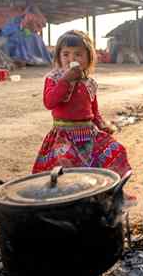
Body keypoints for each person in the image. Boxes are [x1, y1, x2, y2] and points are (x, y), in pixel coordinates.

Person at [32, 30, 131, 179]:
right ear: (59, 57)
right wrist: (65, 80)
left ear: (88, 58)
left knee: (117, 150)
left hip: (88, 133)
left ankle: (107, 193)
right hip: (63, 135)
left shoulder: (89, 83)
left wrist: (103, 126)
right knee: (66, 165)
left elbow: (94, 111)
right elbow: (49, 102)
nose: (71, 58)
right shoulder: (54, 79)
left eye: (78, 54)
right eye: (66, 54)